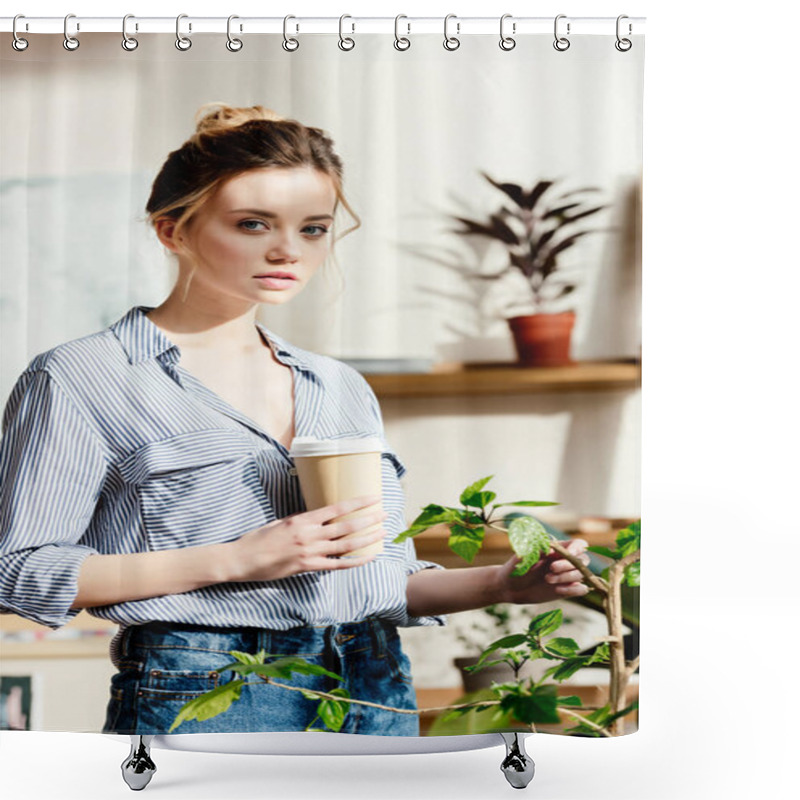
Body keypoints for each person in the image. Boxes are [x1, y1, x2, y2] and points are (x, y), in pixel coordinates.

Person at [0, 103, 590, 737]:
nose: (288, 250)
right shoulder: (80, 377)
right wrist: (237, 559)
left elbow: (380, 580)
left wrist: (501, 583)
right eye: (253, 224)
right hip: (208, 688)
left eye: (313, 228)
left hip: (374, 680)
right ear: (172, 231)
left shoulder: (339, 386)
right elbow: (19, 571)